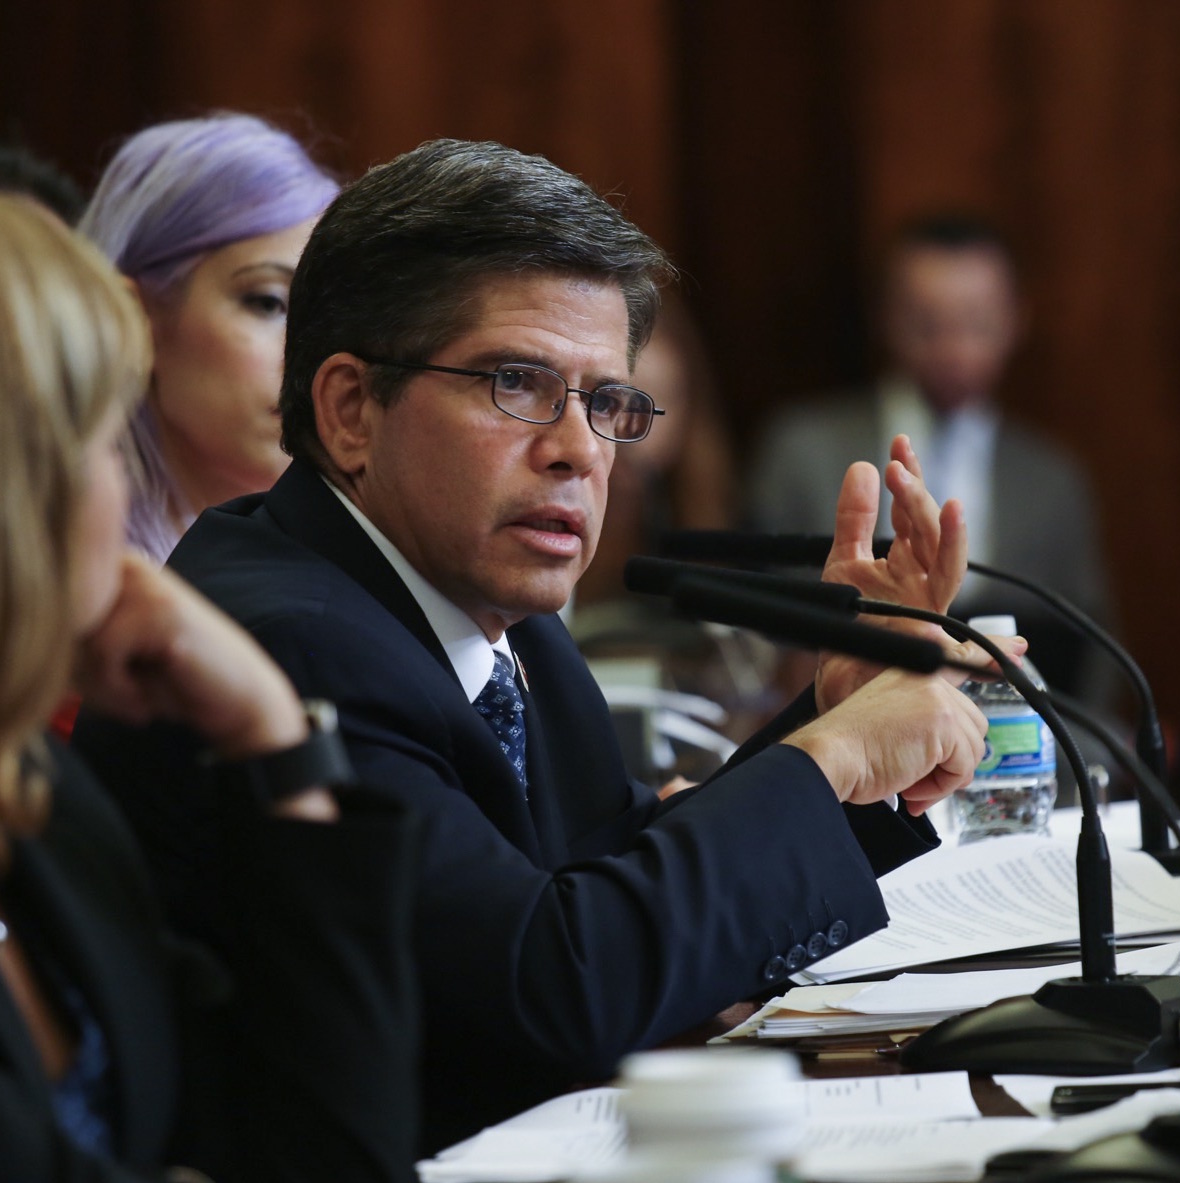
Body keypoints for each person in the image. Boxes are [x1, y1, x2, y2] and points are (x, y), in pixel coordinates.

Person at [74, 140, 996, 1151]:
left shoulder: (501, 621)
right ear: (348, 411)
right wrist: (835, 757)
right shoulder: (288, 639)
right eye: (517, 383)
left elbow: (608, 890)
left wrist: (836, 706)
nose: (579, 450)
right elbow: (554, 987)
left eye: (606, 402)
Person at [0, 196, 420, 1180]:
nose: (125, 485)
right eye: (111, 442)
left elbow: (335, 1152)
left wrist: (275, 738)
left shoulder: (49, 809)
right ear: (27, 493)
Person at [749, 212, 1113, 697]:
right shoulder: (803, 447)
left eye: (977, 323)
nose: (953, 347)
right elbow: (756, 624)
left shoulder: (1051, 477)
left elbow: (1093, 649)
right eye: (926, 324)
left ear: (1014, 320)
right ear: (884, 317)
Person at [80, 112, 338, 562]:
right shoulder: (67, 577)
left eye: (327, 313)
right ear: (134, 317)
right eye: (268, 302)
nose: (313, 356)